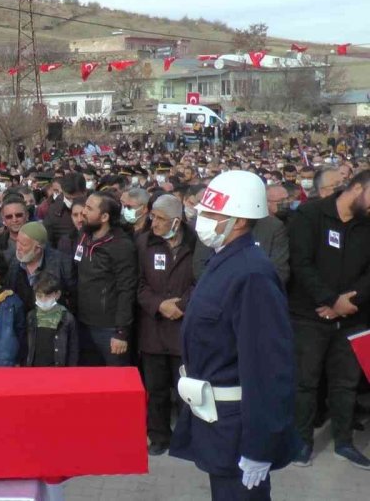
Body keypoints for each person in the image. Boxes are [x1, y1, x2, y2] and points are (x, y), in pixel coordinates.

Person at [169, 171, 300, 501]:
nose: (201, 219)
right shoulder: (224, 260)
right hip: (216, 422)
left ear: (239, 220)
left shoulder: (252, 274)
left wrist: (260, 445)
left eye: (212, 214)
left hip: (238, 429)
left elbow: (268, 368)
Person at [289, 170, 370, 469]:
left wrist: (348, 302)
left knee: (345, 383)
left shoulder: (367, 224)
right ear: (357, 188)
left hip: (352, 317)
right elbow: (301, 263)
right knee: (305, 383)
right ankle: (302, 443)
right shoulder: (310, 215)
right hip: (308, 317)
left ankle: (344, 442)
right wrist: (330, 300)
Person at [135, 195, 197, 457]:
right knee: (156, 389)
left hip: (184, 330)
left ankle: (188, 439)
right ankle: (158, 435)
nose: (154, 223)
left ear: (177, 221)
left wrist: (182, 305)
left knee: (186, 390)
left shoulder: (196, 244)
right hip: (154, 329)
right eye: (153, 217)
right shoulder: (144, 243)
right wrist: (160, 305)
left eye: (160, 219)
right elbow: (138, 284)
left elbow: (203, 281)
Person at [74, 192, 137, 366]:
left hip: (109, 329)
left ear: (104, 217)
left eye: (89, 208)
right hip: (83, 323)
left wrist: (121, 332)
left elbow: (127, 290)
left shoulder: (121, 246)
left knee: (115, 382)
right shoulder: (84, 236)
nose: (83, 212)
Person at [5, 221, 75, 314]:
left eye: (24, 244)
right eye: (18, 242)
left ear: (38, 249)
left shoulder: (62, 264)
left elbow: (72, 298)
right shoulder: (11, 262)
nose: (18, 247)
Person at [24, 272, 78, 367]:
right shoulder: (31, 316)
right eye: (39, 296)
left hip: (57, 369)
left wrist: (71, 371)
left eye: (48, 296)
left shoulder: (67, 318)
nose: (43, 300)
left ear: (57, 294)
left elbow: (73, 349)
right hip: (34, 369)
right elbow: (25, 346)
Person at [43, 172, 86, 249]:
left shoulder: (96, 207)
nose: (71, 202)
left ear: (85, 192)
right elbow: (49, 243)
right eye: (68, 198)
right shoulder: (53, 210)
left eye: (75, 199)